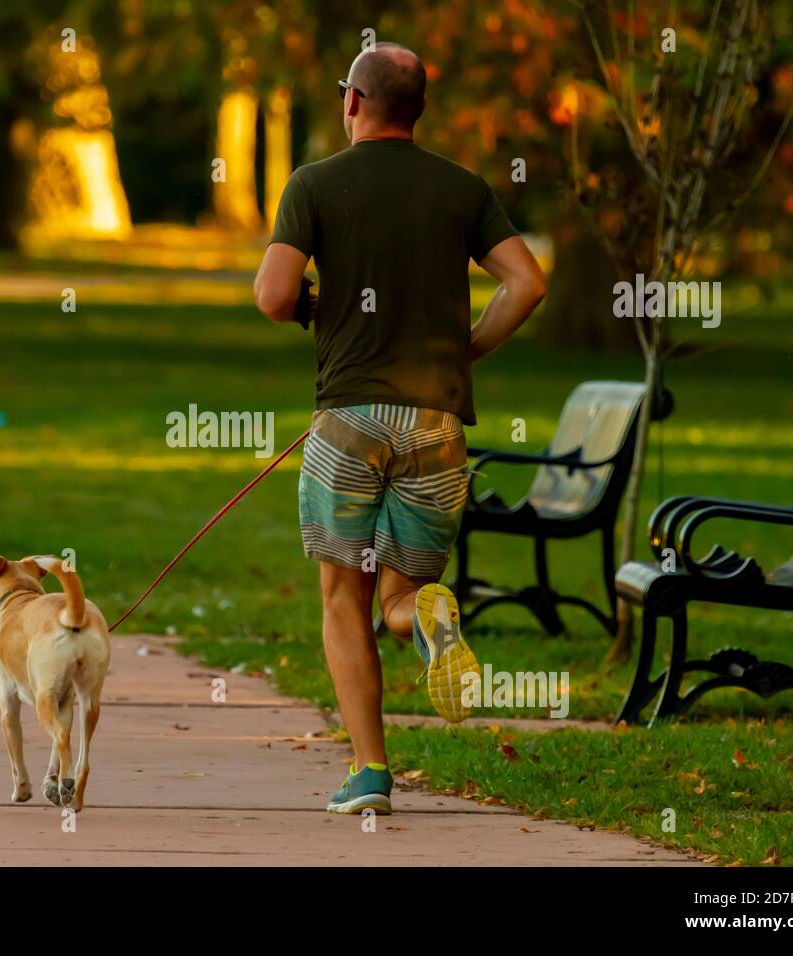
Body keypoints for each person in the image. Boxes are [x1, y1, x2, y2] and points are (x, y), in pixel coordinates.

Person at [253, 43, 545, 814]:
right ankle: (427, 622)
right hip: (437, 423)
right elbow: (528, 281)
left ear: (353, 102)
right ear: (418, 109)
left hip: (348, 422)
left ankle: (372, 773)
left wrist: (321, 308)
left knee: (342, 594)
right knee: (399, 594)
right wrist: (467, 347)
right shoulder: (461, 188)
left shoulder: (313, 184)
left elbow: (274, 295)